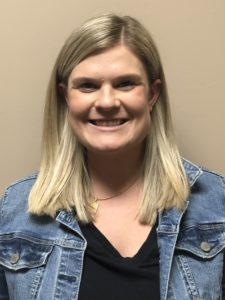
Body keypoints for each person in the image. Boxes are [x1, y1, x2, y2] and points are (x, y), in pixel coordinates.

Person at [0, 13, 224, 300]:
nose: (107, 102)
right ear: (65, 96)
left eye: (125, 83)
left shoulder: (216, 204)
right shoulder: (15, 214)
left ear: (153, 94)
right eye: (88, 86)